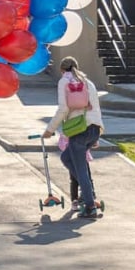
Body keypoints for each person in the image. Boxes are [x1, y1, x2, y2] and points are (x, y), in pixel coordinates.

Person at [43, 57, 105, 219]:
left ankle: (90, 206)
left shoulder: (64, 82)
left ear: (62, 70)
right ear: (77, 67)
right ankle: (87, 193)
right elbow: (96, 108)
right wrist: (96, 133)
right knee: (66, 157)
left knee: (80, 168)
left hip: (79, 130)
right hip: (94, 129)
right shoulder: (88, 82)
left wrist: (50, 130)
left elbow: (63, 109)